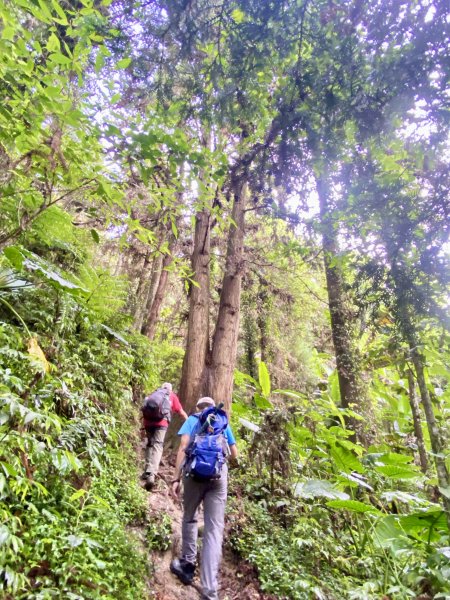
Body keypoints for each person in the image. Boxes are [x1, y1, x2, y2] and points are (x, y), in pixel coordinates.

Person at [170, 396, 238, 600]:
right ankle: (210, 589)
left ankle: (187, 565)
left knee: (190, 517)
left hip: (193, 475)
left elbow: (183, 447)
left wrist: (176, 479)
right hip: (218, 478)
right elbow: (234, 454)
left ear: (199, 407)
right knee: (214, 531)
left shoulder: (192, 420)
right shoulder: (222, 423)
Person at [141, 382, 188, 488]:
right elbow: (181, 411)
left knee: (149, 444)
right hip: (161, 423)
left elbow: (144, 408)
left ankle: (147, 471)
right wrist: (190, 422)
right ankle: (152, 474)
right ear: (170, 389)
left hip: (148, 422)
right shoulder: (172, 396)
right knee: (158, 445)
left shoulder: (154, 394)